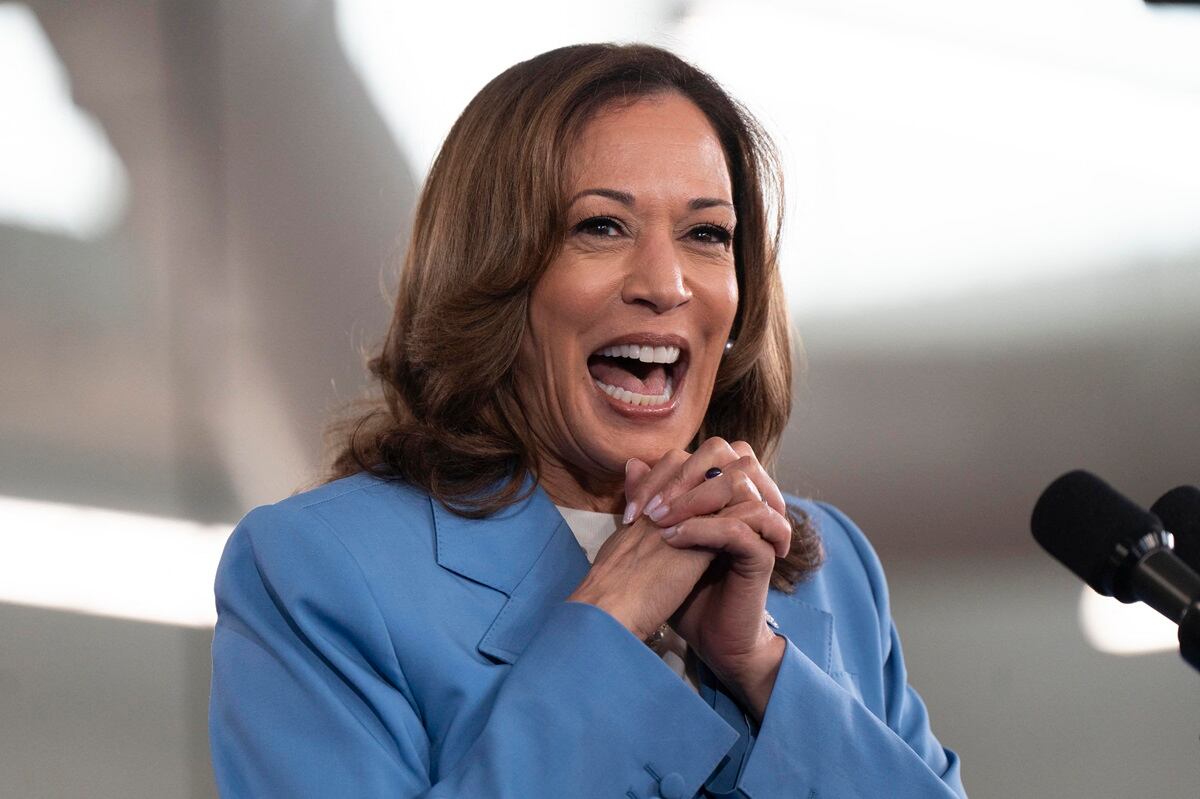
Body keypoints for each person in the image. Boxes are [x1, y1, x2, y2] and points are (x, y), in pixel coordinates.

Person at [208, 43, 967, 798]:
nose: (666, 284)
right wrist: (609, 621)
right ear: (494, 276)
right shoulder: (315, 570)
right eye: (601, 226)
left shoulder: (834, 574)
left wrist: (761, 666)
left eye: (707, 234)